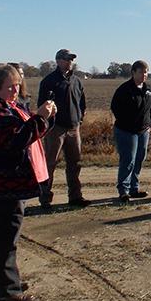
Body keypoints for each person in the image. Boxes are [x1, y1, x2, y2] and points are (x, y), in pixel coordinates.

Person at [0, 64, 57, 301]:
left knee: (8, 236)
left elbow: (30, 133)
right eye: (9, 86)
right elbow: (17, 139)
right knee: (5, 238)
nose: (15, 90)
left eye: (17, 85)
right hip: (0, 185)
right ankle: (6, 291)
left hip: (8, 184)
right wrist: (40, 117)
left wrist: (44, 119)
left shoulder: (9, 106)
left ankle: (8, 281)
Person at [38, 49, 90, 208]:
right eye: (67, 59)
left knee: (75, 163)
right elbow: (42, 105)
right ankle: (45, 199)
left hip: (74, 128)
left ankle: (75, 197)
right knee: (50, 164)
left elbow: (82, 102)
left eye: (71, 59)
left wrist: (80, 118)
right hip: (56, 128)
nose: (69, 62)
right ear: (58, 60)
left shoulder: (76, 80)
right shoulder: (49, 81)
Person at [110, 60, 151, 202]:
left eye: (146, 72)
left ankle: (134, 188)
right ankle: (123, 190)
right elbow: (115, 107)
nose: (144, 75)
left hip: (143, 131)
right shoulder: (124, 89)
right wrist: (127, 123)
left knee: (139, 159)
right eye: (141, 72)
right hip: (126, 131)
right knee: (128, 160)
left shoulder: (149, 89)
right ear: (133, 73)